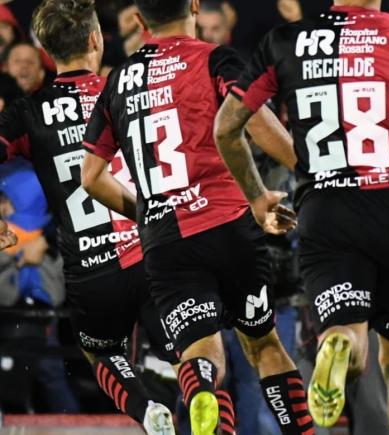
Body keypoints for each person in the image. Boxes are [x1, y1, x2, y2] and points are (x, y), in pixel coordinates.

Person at [213, 0, 389, 433]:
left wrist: (258, 196)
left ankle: (339, 346)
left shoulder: (284, 40)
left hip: (326, 209)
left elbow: (227, 128)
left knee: (346, 331)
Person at [81, 0, 313, 434]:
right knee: (264, 345)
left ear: (138, 19)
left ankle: (203, 395)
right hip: (228, 224)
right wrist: (312, 176)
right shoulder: (215, 58)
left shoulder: (117, 82)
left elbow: (91, 177)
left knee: (202, 356)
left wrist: (145, 213)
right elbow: (256, 122)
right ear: (192, 5)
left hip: (165, 240)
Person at [0, 1, 182, 433]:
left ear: (45, 50)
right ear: (96, 39)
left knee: (99, 352)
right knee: (197, 354)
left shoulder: (28, 112)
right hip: (154, 248)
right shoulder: (131, 89)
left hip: (90, 268)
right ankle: (194, 398)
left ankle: (145, 408)